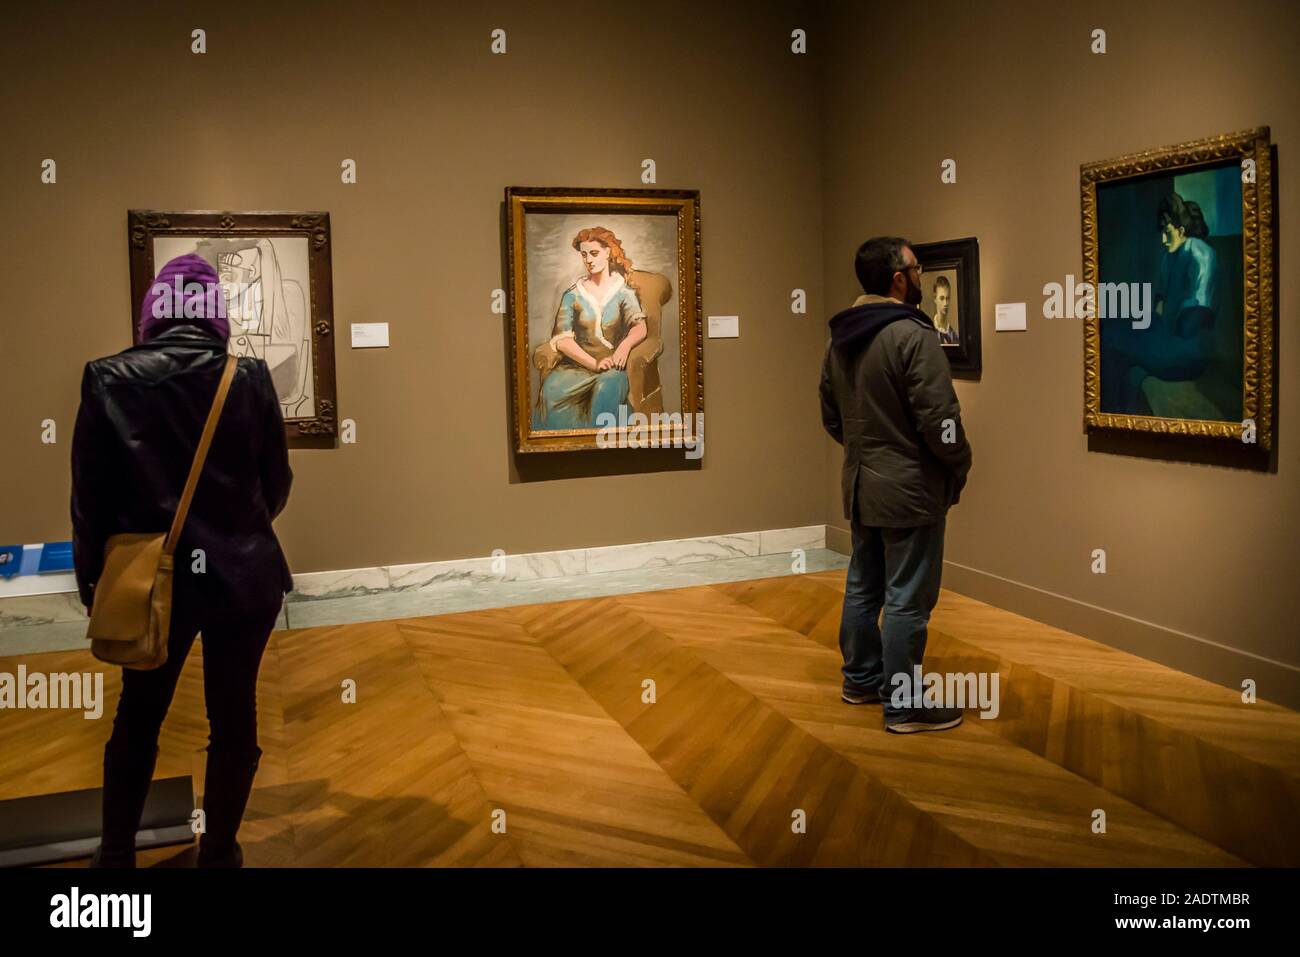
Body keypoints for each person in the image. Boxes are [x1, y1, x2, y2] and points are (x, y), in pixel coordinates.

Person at [72, 253, 293, 867]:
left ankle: (115, 856)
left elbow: (90, 497)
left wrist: (96, 580)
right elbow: (277, 482)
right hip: (242, 577)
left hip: (149, 582)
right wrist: (236, 529)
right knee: (234, 717)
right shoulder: (247, 376)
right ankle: (218, 851)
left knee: (138, 716)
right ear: (213, 316)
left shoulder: (107, 377)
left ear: (153, 313)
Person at [819, 237, 972, 734]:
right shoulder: (911, 334)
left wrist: (865, 451)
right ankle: (903, 704)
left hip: (862, 484)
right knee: (908, 595)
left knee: (864, 586)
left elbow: (831, 413)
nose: (922, 275)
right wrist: (958, 462)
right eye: (916, 267)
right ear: (898, 278)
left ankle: (861, 679)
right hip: (909, 489)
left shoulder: (840, 335)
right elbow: (940, 418)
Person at [532, 226, 648, 429]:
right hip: (576, 367)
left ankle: (598, 449)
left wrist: (624, 346)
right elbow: (563, 340)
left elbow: (640, 327)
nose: (589, 260)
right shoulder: (572, 295)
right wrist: (593, 363)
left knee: (608, 387)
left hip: (612, 367)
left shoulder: (623, 292)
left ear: (608, 252)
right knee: (551, 389)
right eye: (584, 255)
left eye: (594, 253)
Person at [932, 275, 958, 344]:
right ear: (935, 299)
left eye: (947, 298)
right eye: (942, 298)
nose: (945, 303)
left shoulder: (954, 337)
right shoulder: (929, 332)